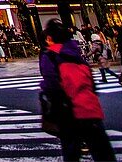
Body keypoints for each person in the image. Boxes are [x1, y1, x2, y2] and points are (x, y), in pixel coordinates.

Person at [40, 18, 116, 161]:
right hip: (91, 108)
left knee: (71, 152)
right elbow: (91, 83)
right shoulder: (76, 55)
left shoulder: (50, 55)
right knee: (103, 152)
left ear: (50, 38)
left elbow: (51, 85)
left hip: (68, 111)